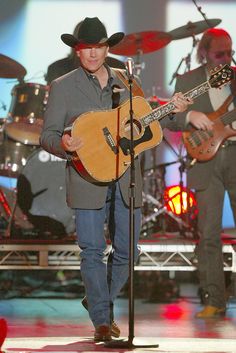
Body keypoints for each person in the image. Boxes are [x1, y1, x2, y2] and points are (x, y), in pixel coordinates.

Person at [40, 16, 192, 342]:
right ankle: (102, 321)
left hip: (126, 177)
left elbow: (147, 118)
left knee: (128, 250)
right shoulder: (64, 86)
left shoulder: (126, 80)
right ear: (76, 51)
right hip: (86, 177)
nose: (93, 54)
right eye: (86, 48)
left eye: (98, 47)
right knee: (92, 250)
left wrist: (175, 109)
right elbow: (47, 136)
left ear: (107, 48)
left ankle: (99, 300)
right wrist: (63, 144)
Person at [172, 28, 236, 318]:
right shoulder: (188, 81)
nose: (226, 58)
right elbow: (170, 118)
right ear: (204, 53)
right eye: (219, 53)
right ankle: (214, 299)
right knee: (209, 233)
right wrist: (189, 116)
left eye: (230, 52)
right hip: (206, 160)